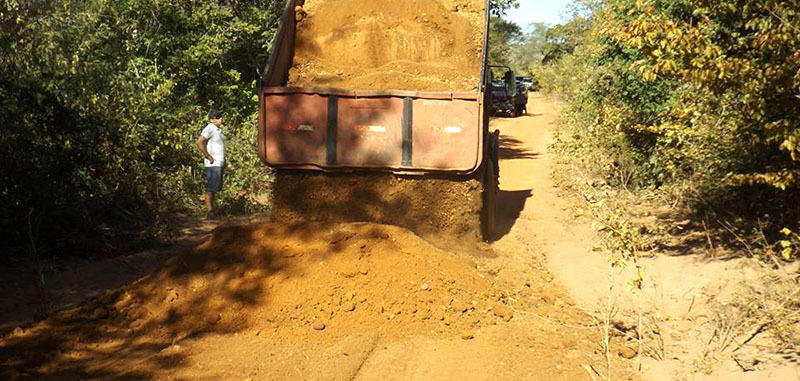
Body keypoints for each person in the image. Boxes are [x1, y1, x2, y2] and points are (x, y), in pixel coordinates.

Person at [196, 109, 226, 220]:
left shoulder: (218, 130)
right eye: (218, 117)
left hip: (218, 163)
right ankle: (210, 212)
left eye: (220, 116)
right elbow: (199, 142)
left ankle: (212, 210)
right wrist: (208, 156)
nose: (220, 119)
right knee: (211, 188)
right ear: (211, 120)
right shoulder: (209, 128)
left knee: (215, 188)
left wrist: (224, 161)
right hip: (212, 163)